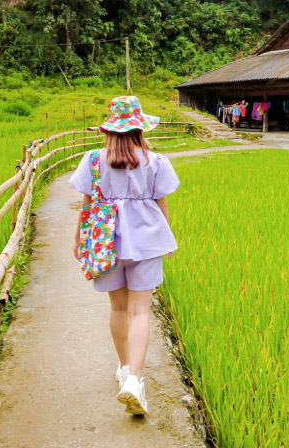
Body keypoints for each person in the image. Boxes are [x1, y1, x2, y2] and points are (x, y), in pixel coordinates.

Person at [69, 96, 180, 416]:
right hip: (145, 242)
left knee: (118, 308)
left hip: (105, 243)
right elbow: (162, 205)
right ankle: (134, 379)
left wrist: (79, 239)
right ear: (139, 129)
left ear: (110, 129)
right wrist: (166, 239)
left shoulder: (92, 159)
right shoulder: (155, 161)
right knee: (140, 312)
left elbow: (86, 205)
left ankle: (123, 367)